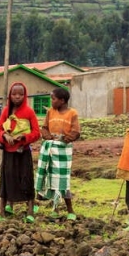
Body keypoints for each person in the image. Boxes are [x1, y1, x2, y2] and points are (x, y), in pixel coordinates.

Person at [0, 82, 40, 222]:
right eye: (14, 94)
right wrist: (5, 136)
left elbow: (36, 133)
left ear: (25, 95)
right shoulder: (6, 111)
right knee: (6, 180)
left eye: (20, 94)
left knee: (26, 178)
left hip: (23, 151)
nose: (17, 97)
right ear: (10, 95)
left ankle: (30, 211)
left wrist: (24, 137)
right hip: (8, 151)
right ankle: (2, 210)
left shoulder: (29, 112)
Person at [35, 87, 81, 220]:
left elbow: (76, 132)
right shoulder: (50, 112)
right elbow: (44, 128)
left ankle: (68, 209)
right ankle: (38, 203)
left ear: (62, 100)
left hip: (62, 149)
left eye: (53, 99)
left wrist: (65, 139)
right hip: (49, 147)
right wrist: (48, 136)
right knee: (44, 174)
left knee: (62, 179)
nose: (51, 101)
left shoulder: (72, 113)